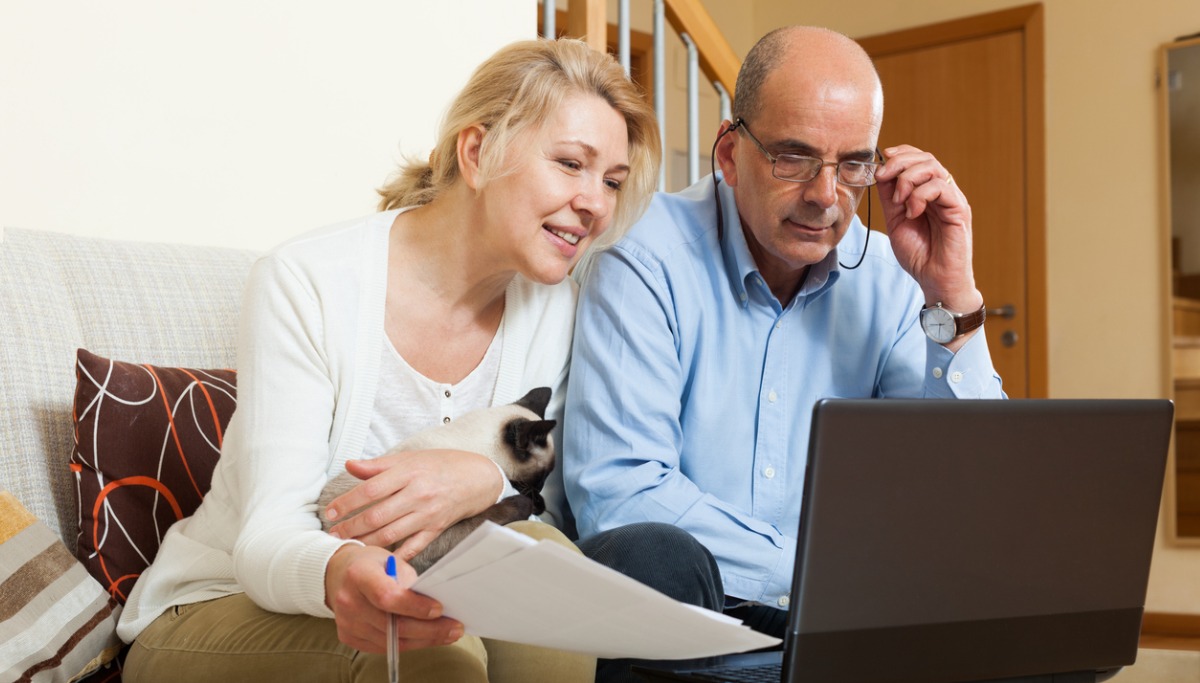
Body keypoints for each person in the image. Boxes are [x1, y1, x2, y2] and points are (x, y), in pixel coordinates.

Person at [116, 38, 660, 683]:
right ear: (478, 152)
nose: (596, 203)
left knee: (548, 573)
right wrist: (344, 569)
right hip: (221, 604)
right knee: (431, 648)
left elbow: (553, 502)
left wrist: (484, 478)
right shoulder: (307, 280)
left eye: (612, 182)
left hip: (429, 578)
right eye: (571, 164)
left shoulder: (557, 309)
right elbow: (265, 540)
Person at [563, 26, 1005, 682]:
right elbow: (621, 492)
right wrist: (817, 579)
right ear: (730, 153)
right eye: (794, 157)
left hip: (850, 620)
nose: (827, 196)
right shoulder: (645, 256)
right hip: (701, 615)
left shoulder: (889, 278)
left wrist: (951, 297)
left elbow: (975, 481)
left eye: (853, 163)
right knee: (652, 558)